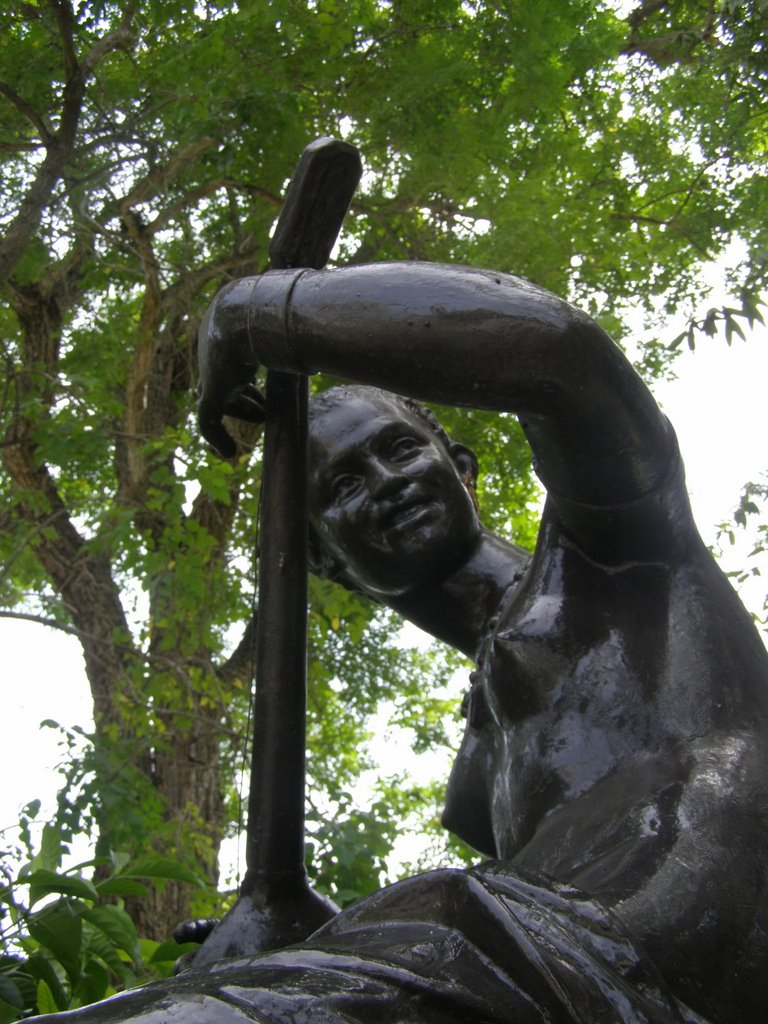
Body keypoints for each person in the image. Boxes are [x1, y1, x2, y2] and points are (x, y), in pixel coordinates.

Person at [42, 263, 768, 1023]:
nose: (386, 481)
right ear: (326, 563)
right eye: (345, 485)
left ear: (462, 468)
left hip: (629, 961)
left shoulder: (619, 555)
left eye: (400, 449)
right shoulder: (479, 782)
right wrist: (310, 940)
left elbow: (561, 352)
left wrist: (250, 314)